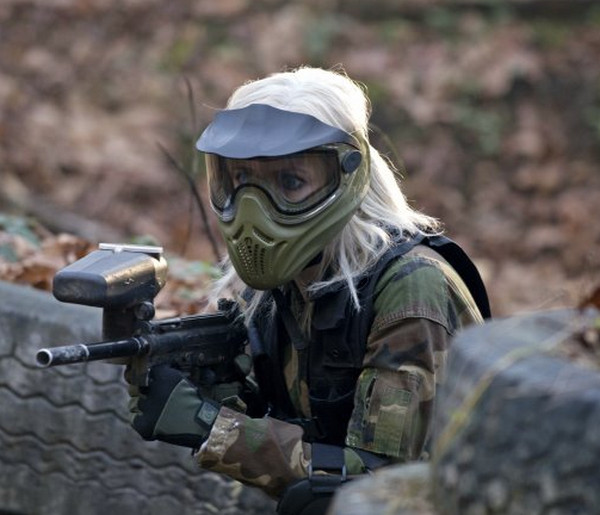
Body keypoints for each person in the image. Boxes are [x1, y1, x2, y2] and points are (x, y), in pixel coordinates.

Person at [128, 66, 490, 514]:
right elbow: (299, 427)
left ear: (347, 176)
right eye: (241, 180)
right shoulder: (280, 286)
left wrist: (212, 429)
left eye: (290, 182)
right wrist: (217, 390)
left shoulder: (412, 290)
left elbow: (380, 483)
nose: (255, 209)